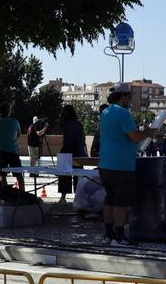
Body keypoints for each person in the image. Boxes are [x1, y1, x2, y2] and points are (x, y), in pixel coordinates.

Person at [97, 85, 152, 243]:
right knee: (120, 203)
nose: (130, 100)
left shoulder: (105, 113)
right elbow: (134, 137)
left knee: (110, 200)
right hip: (121, 165)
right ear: (123, 97)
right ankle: (119, 237)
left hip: (105, 163)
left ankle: (108, 235)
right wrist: (147, 133)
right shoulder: (123, 113)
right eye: (129, 97)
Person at [56, 104, 85, 198]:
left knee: (64, 176)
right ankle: (78, 197)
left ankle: (63, 197)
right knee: (78, 175)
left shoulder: (65, 123)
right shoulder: (79, 124)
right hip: (78, 152)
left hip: (67, 150)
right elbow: (83, 138)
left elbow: (58, 128)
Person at [0, 102, 23, 169]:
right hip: (13, 151)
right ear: (9, 111)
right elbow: (19, 135)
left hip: (1, 152)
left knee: (2, 175)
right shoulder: (15, 122)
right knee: (19, 174)